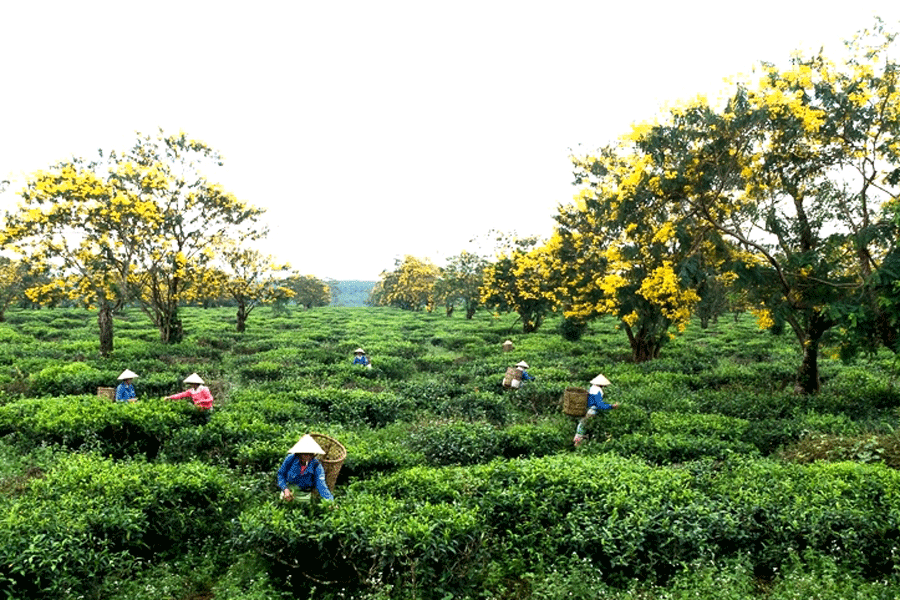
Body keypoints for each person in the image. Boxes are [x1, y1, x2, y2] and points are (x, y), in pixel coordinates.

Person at [277, 434, 334, 502]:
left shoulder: (316, 465)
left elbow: (321, 485)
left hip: (304, 495)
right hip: (288, 491)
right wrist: (285, 489)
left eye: (310, 454)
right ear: (299, 453)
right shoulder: (291, 459)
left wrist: (330, 502)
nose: (308, 456)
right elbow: (281, 474)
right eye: (305, 453)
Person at [574, 373, 618, 447]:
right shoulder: (598, 391)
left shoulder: (592, 388)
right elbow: (599, 405)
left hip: (587, 410)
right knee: (584, 427)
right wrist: (611, 406)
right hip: (592, 412)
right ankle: (578, 443)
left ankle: (581, 443)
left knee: (582, 427)